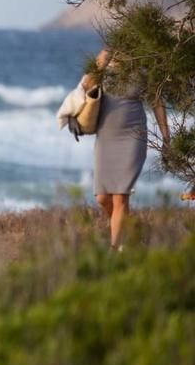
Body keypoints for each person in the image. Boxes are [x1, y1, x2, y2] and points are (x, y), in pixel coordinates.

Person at [68, 49, 170, 247]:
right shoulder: (105, 56)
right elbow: (84, 86)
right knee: (102, 197)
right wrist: (100, 66)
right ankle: (129, 230)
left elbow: (157, 102)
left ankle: (116, 252)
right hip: (106, 136)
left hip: (133, 136)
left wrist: (166, 137)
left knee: (120, 196)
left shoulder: (145, 60)